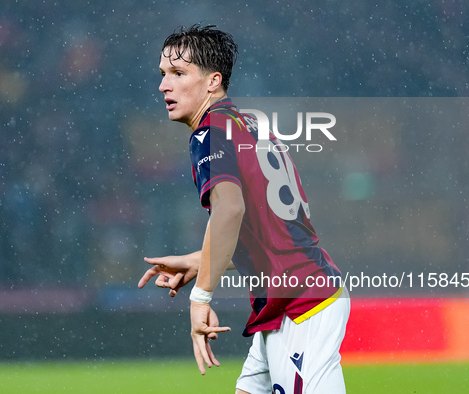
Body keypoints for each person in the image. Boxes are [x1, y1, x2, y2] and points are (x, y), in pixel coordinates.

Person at [138, 24, 350, 394]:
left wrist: (201, 296)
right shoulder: (251, 125)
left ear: (212, 81)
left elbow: (229, 210)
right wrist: (199, 260)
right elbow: (273, 234)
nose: (163, 86)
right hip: (291, 298)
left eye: (177, 73)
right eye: (162, 75)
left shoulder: (209, 133)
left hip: (301, 307)